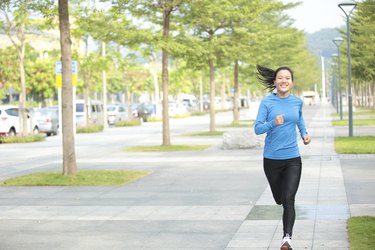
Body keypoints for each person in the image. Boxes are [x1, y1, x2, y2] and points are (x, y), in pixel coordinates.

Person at [254, 65, 311, 250]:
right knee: (279, 199)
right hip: (271, 159)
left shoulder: (297, 102)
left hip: (293, 158)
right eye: (280, 78)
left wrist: (304, 133)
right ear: (275, 81)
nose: (284, 81)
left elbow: (299, 119)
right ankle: (282, 205)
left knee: (289, 199)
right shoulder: (267, 102)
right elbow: (257, 128)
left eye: (287, 78)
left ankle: (287, 238)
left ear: (292, 82)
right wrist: (273, 123)